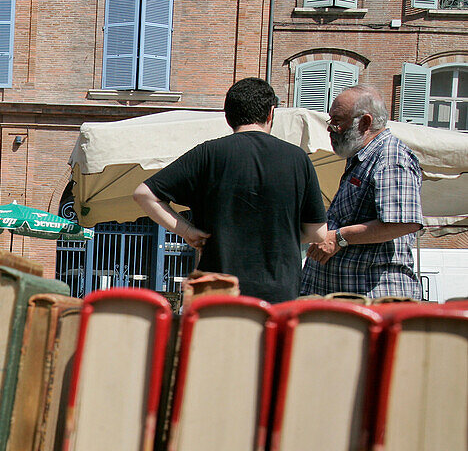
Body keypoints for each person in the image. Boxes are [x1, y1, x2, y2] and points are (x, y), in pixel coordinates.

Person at [132, 77, 328, 303]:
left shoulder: (207, 154)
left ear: (228, 117)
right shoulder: (298, 159)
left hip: (217, 295)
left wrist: (186, 231)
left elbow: (144, 194)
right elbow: (318, 233)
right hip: (278, 296)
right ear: (270, 113)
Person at [300, 85, 425, 300]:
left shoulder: (391, 158)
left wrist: (339, 238)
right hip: (348, 298)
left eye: (337, 121)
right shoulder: (363, 157)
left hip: (373, 300)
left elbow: (404, 222)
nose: (330, 128)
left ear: (365, 123)